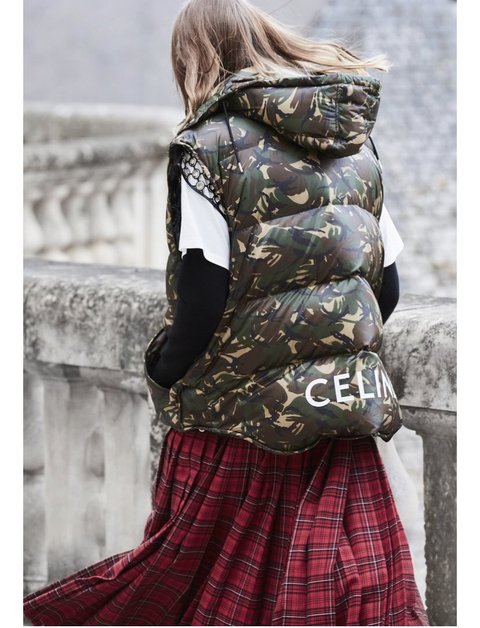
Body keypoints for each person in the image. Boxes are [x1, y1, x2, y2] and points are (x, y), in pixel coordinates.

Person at [23, 0, 429, 625]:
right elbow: (388, 285)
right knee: (338, 592)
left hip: (235, 418)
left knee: (191, 577)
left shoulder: (208, 146)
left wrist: (165, 368)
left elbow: (204, 292)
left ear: (194, 58)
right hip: (339, 411)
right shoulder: (353, 141)